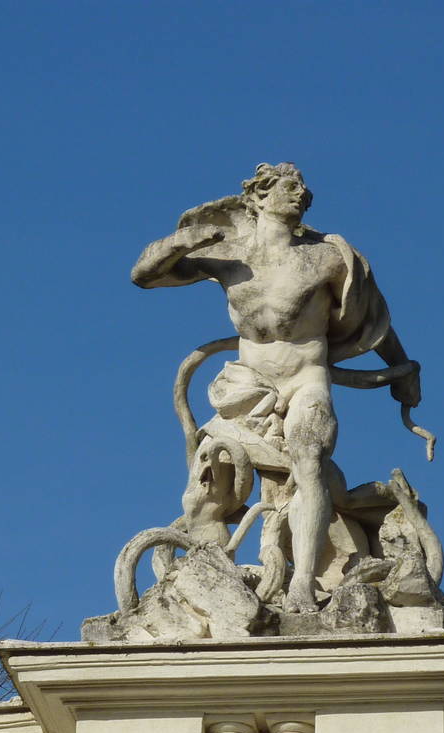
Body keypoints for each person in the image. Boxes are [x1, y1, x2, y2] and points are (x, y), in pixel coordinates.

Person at [132, 163, 419, 612]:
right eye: (289, 186)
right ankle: (208, 572)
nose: (301, 194)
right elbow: (144, 275)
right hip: (247, 384)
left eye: (303, 188)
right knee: (209, 482)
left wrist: (402, 371)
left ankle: (302, 580)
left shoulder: (326, 256)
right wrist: (180, 242)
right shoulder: (229, 254)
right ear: (259, 197)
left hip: (307, 377)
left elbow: (375, 322)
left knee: (309, 461)